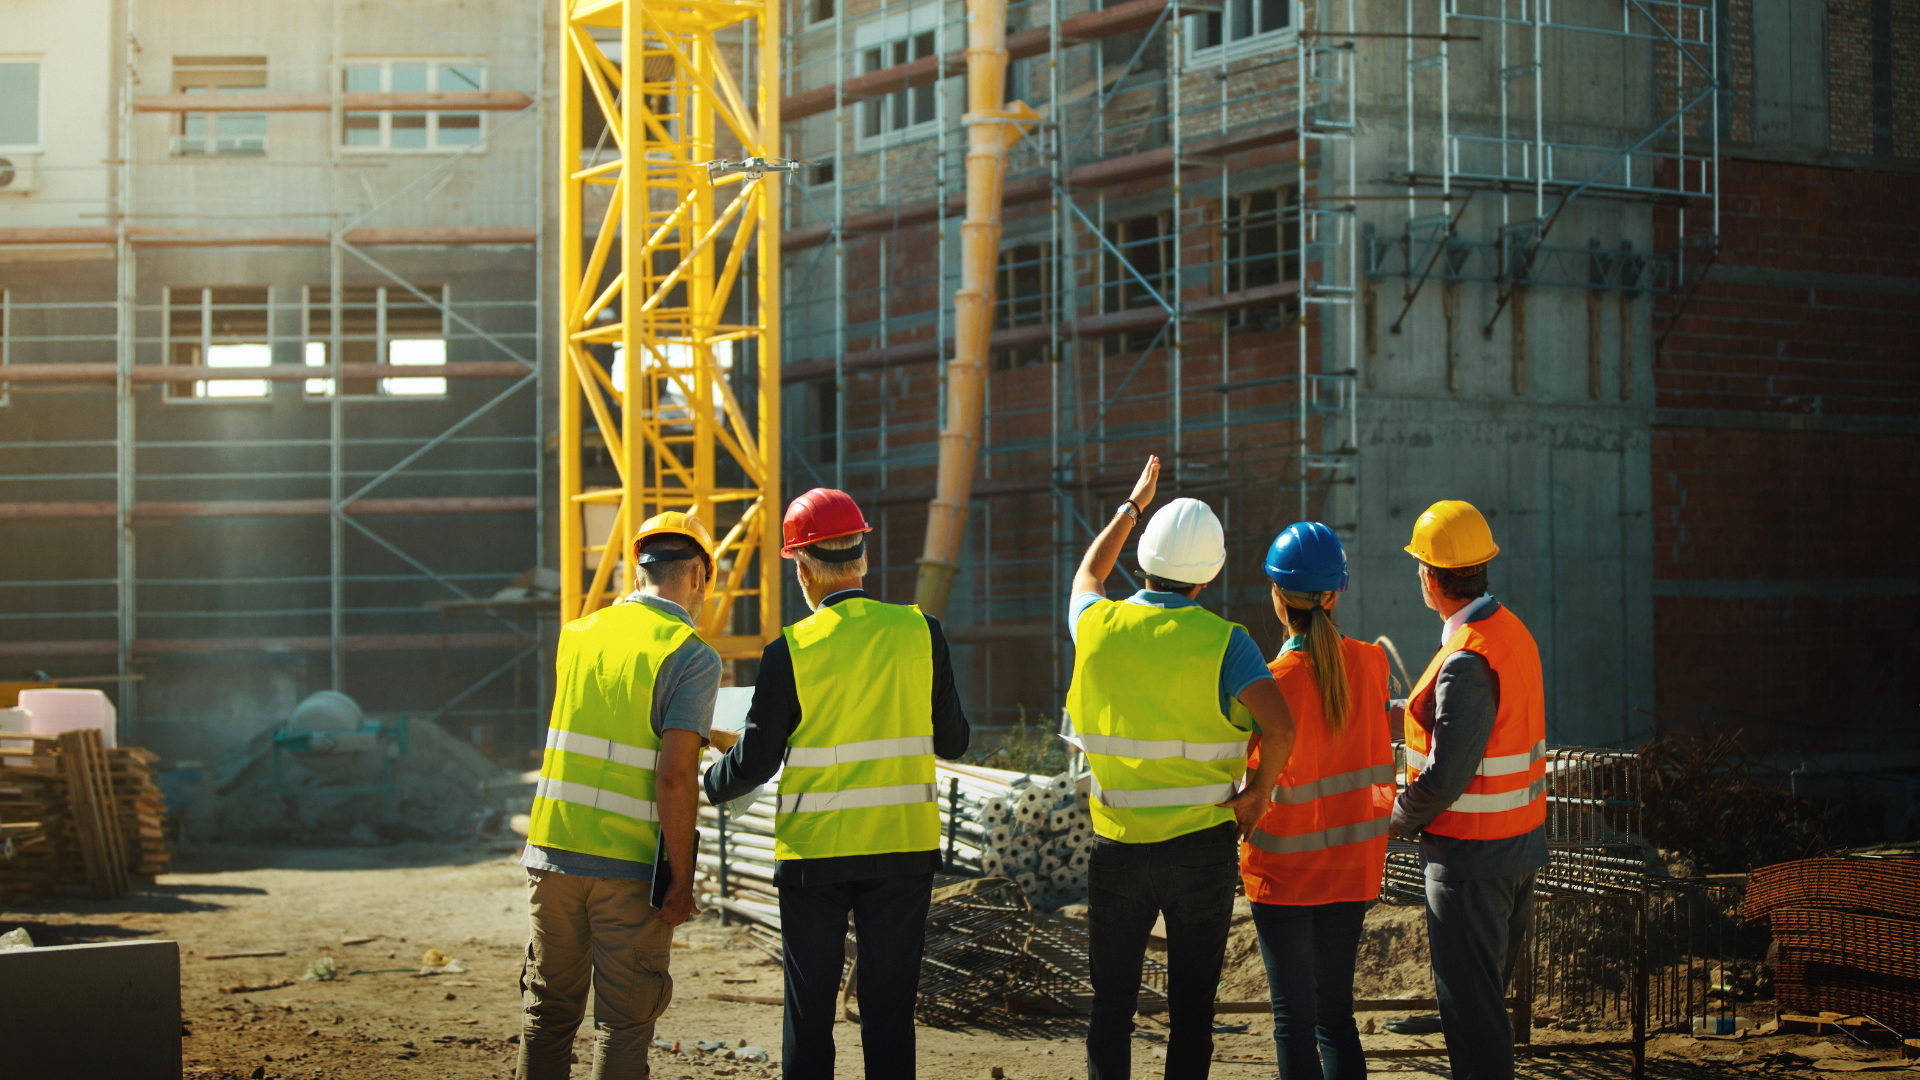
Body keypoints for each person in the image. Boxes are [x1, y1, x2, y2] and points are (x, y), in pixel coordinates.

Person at [703, 487, 969, 1080]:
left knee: (810, 1010)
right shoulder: (922, 632)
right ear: (863, 559)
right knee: (890, 1011)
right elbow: (954, 742)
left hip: (815, 857)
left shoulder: (789, 651)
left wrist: (709, 779)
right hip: (902, 849)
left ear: (801, 566)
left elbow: (756, 762)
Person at [1066, 455, 1298, 1080]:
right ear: (1212, 573)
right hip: (1201, 850)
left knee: (1110, 1006)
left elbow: (1089, 571)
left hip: (1116, 848)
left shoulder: (1096, 624)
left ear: (1143, 559)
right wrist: (1256, 796)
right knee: (1192, 1011)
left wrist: (1132, 507)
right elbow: (1280, 727)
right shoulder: (1228, 643)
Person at [518, 512, 723, 1080]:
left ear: (637, 573)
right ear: (700, 576)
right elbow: (676, 776)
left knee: (548, 1015)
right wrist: (681, 879)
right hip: (628, 872)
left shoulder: (578, 636)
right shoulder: (692, 655)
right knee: (624, 1023)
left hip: (551, 856)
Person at [1390, 500, 1548, 1080]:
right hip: (1514, 848)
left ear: (1432, 578)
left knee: (1474, 1021)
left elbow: (1448, 776)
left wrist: (1395, 816)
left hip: (1471, 861)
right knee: (1486, 1012)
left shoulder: (1466, 659)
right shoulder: (1508, 632)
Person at [1241, 522, 1395, 1080]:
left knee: (1293, 1022)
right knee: (1337, 1017)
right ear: (1333, 595)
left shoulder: (1271, 681)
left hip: (1283, 874)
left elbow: (1252, 776)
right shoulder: (1373, 665)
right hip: (1352, 869)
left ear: (1279, 597)